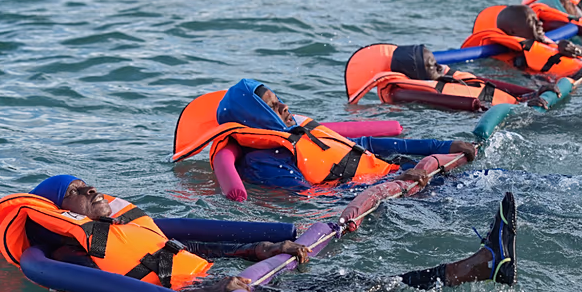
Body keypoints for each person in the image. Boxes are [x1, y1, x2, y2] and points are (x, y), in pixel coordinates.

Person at [0, 175, 310, 292]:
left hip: (224, 284)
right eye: (74, 191)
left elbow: (181, 250)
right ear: (61, 215)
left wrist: (258, 249)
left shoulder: (125, 228)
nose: (92, 189)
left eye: (87, 183)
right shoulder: (68, 257)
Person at [173, 79, 477, 192]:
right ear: (255, 118)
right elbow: (311, 199)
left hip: (400, 175)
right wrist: (396, 183)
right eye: (274, 108)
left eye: (280, 101)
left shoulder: (299, 130)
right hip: (395, 194)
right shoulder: (263, 161)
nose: (286, 108)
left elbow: (365, 145)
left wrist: (442, 145)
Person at [345, 43, 560, 110]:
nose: (440, 67)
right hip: (487, 111)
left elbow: (486, 84)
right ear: (416, 74)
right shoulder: (403, 92)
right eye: (431, 65)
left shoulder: (441, 75)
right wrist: (476, 106)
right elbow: (438, 99)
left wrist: (531, 93)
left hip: (513, 104)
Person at [461, 5, 582, 81]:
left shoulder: (551, 43)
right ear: (512, 31)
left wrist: (578, 50)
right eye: (532, 21)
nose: (540, 23)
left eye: (537, 19)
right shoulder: (517, 60)